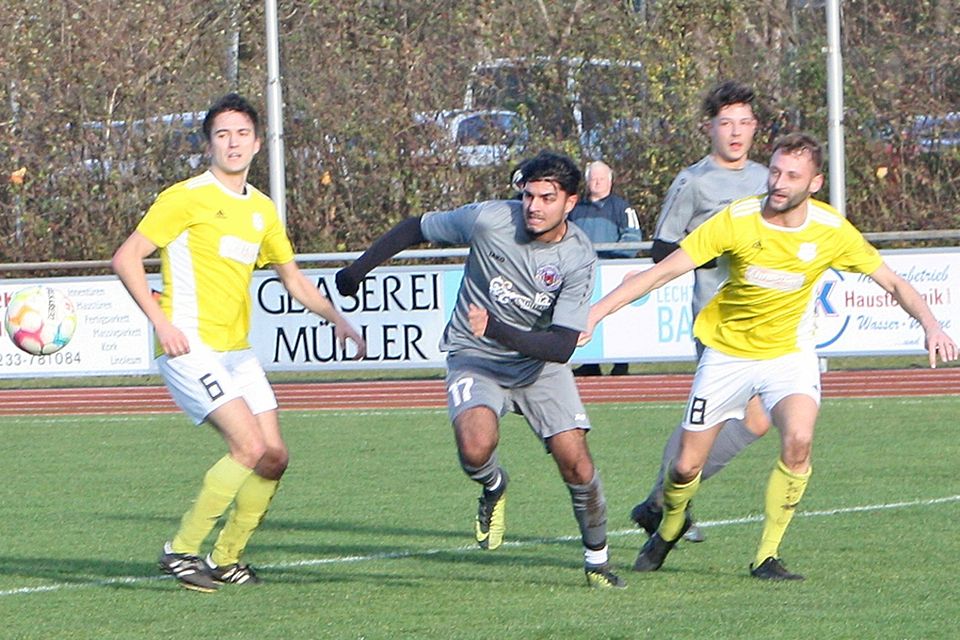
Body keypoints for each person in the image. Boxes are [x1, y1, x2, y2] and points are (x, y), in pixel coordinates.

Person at [580, 132, 957, 580]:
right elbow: (661, 272)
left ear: (814, 183)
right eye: (775, 171)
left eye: (791, 175)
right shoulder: (737, 219)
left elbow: (892, 281)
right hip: (726, 353)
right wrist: (597, 312)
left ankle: (766, 556)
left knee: (798, 440)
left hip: (789, 353)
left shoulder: (831, 229)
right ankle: (672, 522)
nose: (777, 182)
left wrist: (931, 324)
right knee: (684, 468)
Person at [112, 93, 366, 593]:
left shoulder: (263, 210)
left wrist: (337, 318)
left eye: (242, 133)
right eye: (222, 134)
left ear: (257, 143)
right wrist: (161, 323)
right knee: (247, 447)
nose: (233, 142)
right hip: (190, 346)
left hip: (237, 351)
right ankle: (181, 550)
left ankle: (227, 557)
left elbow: (292, 279)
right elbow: (126, 258)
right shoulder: (184, 197)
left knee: (274, 456)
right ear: (208, 143)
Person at [335, 150, 625, 589]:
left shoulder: (578, 257)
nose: (533, 206)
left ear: (570, 202)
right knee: (475, 448)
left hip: (538, 367)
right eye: (528, 195)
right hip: (474, 355)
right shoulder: (491, 220)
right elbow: (418, 226)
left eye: (547, 198)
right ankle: (494, 486)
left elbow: (562, 346)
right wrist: (358, 271)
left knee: (577, 466)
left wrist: (498, 328)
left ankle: (597, 561)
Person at [630, 81, 770, 543]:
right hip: (717, 320)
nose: (735, 132)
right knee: (736, 418)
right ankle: (666, 500)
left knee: (752, 420)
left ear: (755, 128)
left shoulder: (769, 179)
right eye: (726, 122)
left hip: (767, 319)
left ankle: (661, 501)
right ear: (709, 127)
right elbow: (662, 247)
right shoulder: (694, 181)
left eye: (744, 123)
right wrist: (713, 252)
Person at [568, 160, 642, 377]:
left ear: (610, 181)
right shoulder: (575, 210)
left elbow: (632, 240)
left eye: (601, 179)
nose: (597, 183)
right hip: (582, 274)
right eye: (593, 178)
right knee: (585, 318)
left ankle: (621, 364)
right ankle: (590, 363)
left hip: (613, 273)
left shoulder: (623, 208)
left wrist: (610, 258)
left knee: (617, 318)